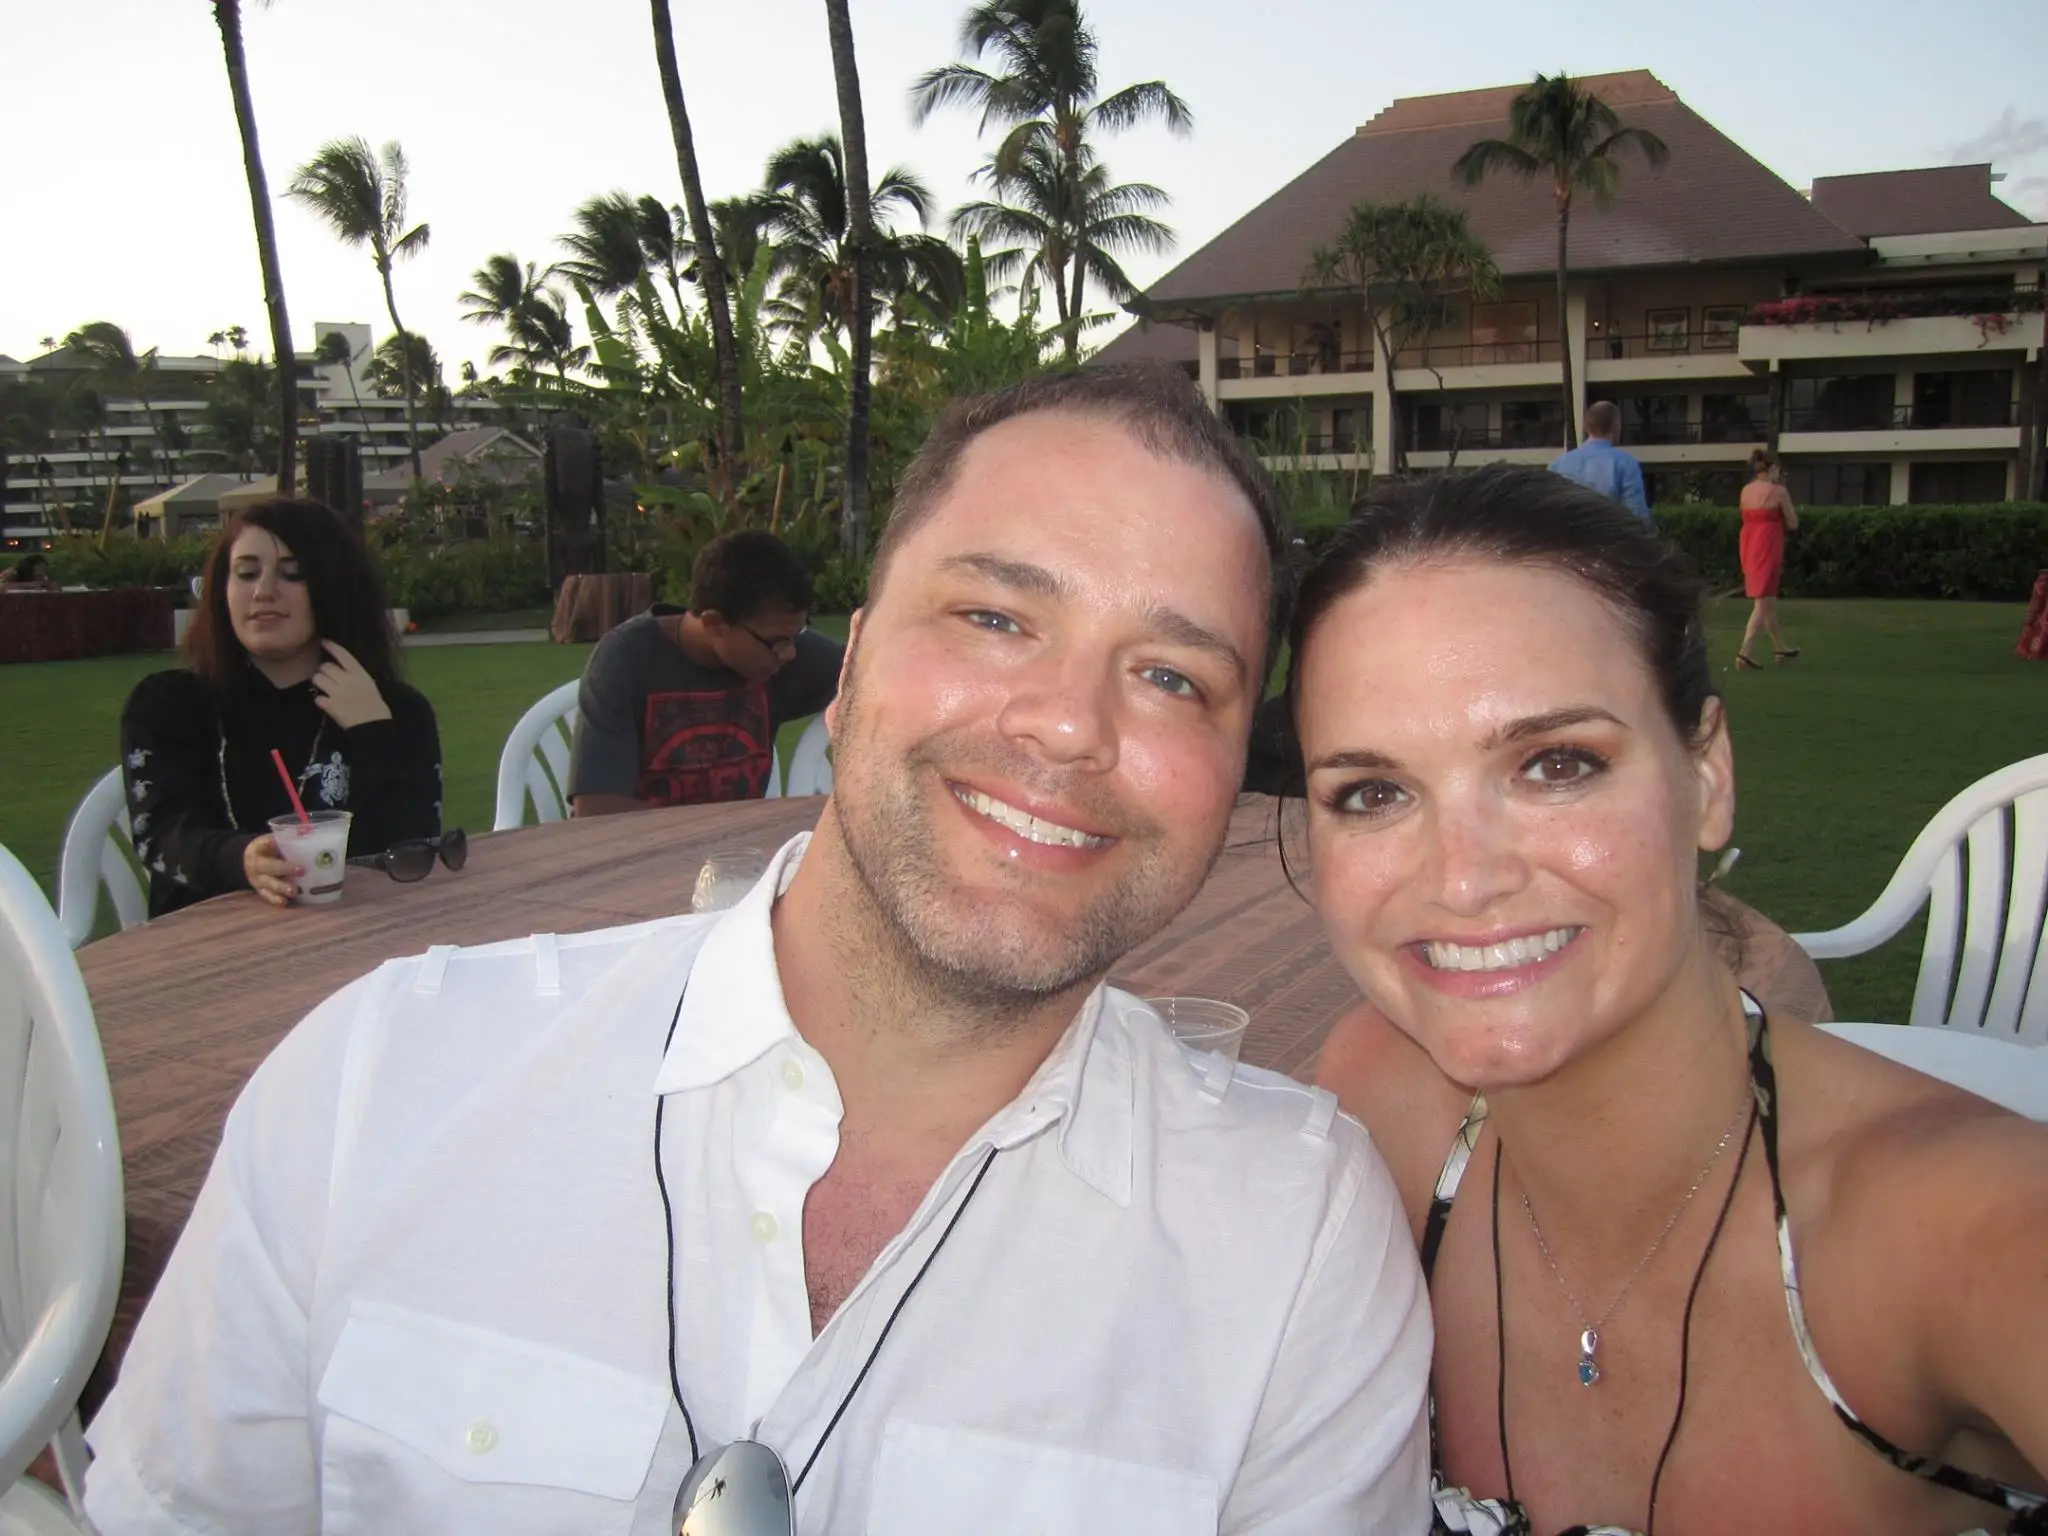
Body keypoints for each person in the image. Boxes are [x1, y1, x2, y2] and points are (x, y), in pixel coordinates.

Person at [85, 366, 1432, 1533]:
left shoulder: (1293, 1247)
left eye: (1173, 676)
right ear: (842, 682)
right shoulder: (379, 1086)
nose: (1071, 726)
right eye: (998, 618)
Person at [1289, 466, 2045, 1534]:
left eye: (1554, 763)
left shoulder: (1956, 1228)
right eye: (1371, 793)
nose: (1459, 878)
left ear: (1706, 773)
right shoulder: (1383, 1102)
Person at [117, 498, 442, 917]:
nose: (264, 591)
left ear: (335, 587)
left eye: (293, 574)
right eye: (247, 573)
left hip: (362, 934)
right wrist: (242, 859)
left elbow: (412, 852)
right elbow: (162, 834)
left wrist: (372, 732)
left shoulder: (397, 708)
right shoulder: (171, 704)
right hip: (208, 943)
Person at [568, 529, 844, 813]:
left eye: (795, 636)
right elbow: (596, 808)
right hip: (646, 851)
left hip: (740, 851)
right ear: (714, 623)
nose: (789, 654)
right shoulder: (627, 661)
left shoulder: (777, 654)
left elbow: (871, 665)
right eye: (776, 642)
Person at [1735, 447, 1800, 669]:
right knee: (1763, 601)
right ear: (1772, 468)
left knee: (1767, 599)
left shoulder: (1745, 491)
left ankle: (1780, 648)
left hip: (1749, 542)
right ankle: (1746, 651)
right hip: (1768, 544)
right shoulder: (1778, 492)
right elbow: (1793, 523)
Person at [1548, 400, 1649, 519]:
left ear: (1586, 427)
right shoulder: (1625, 463)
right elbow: (1636, 514)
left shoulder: (1557, 465)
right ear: (1615, 424)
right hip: (1610, 534)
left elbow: (1549, 511)